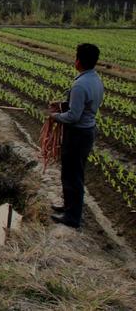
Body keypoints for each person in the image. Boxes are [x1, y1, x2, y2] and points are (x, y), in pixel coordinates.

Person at [49, 43, 104, 228]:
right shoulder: (95, 79)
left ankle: (72, 218)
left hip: (77, 134)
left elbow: (73, 116)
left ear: (78, 61)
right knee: (73, 173)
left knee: (72, 175)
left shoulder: (80, 85)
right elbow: (84, 106)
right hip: (87, 131)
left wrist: (55, 116)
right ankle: (69, 207)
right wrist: (64, 104)